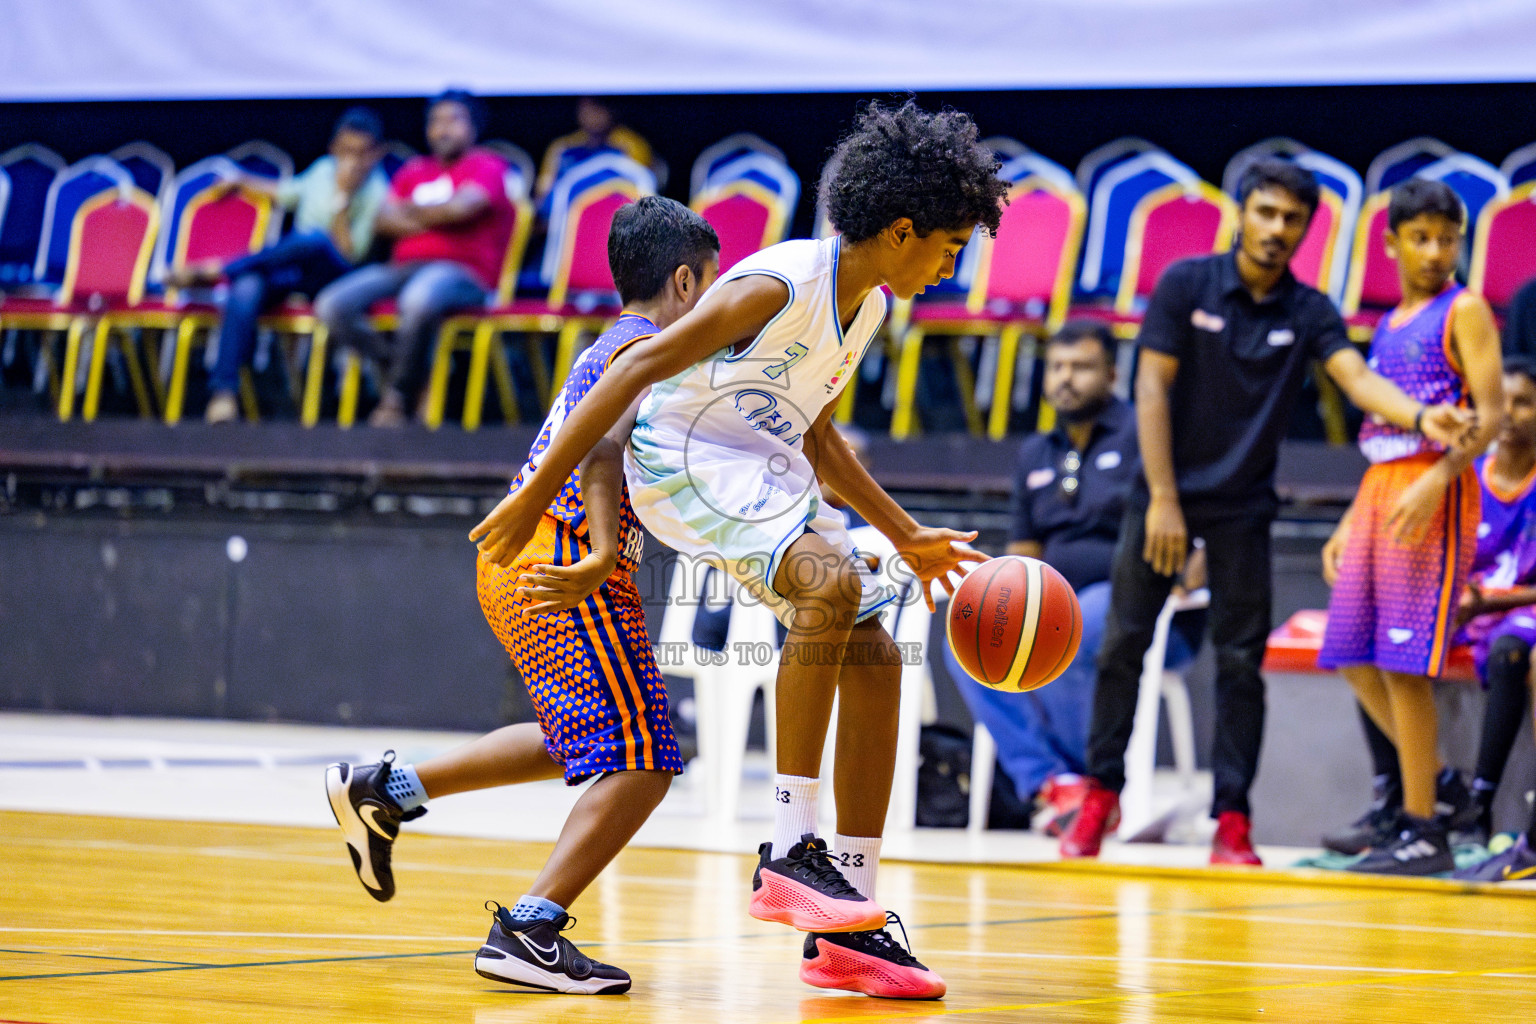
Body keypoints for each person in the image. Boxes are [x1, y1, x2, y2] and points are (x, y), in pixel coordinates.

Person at [471, 100, 1009, 1000]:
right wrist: (532, 492)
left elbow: (819, 431)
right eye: (950, 245)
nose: (955, 264)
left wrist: (905, 530)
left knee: (878, 653)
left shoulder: (868, 308)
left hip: (758, 463)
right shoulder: (781, 283)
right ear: (903, 228)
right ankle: (790, 850)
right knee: (827, 587)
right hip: (678, 458)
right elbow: (634, 368)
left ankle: (855, 924)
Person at [325, 196, 720, 993]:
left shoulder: (612, 340)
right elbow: (604, 451)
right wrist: (608, 549)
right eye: (711, 286)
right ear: (685, 282)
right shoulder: (653, 349)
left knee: (582, 739)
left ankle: (385, 791)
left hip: (531, 565)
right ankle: (530, 929)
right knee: (645, 757)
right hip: (565, 565)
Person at [1060, 159, 1476, 867]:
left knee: (1240, 664)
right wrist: (1163, 497)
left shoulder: (1308, 310)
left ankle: (1232, 818)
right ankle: (1100, 795)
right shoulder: (1186, 283)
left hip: (1244, 507)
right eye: (1266, 213)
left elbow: (1355, 377)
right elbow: (1151, 391)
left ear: (1305, 230)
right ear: (1241, 214)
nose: (1277, 229)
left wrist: (1421, 416)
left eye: (1291, 219)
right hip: (1163, 495)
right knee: (1123, 644)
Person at [940, 320, 1204, 834]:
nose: (1066, 379)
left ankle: (1093, 782)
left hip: (1148, 614)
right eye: (1057, 367)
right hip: (1061, 607)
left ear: (1110, 374)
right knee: (968, 638)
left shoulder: (1142, 436)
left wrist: (1188, 573)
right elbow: (1022, 554)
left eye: (1081, 367)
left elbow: (1194, 529)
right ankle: (1052, 782)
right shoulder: (1035, 453)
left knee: (1084, 622)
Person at [1315, 178, 1502, 876]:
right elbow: (1380, 430)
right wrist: (1348, 519)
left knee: (1403, 666)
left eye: (1447, 238)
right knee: (1353, 656)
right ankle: (1441, 783)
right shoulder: (1390, 321)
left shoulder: (1468, 309)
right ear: (1391, 243)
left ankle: (1424, 828)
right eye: (1420, 238)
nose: (1435, 251)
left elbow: (1490, 418)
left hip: (1434, 490)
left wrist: (1437, 478)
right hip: (1382, 491)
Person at [166, 108, 388, 424]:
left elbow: (352, 254)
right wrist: (242, 181)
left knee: (312, 239)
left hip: (340, 281)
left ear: (375, 155)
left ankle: (219, 271)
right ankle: (223, 394)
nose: (351, 161)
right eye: (345, 151)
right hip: (298, 272)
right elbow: (286, 193)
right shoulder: (323, 170)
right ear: (334, 148)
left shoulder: (378, 190)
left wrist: (343, 201)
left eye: (361, 153)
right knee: (248, 284)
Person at [315, 89, 512, 427]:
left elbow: (463, 208)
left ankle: (396, 397)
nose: (442, 129)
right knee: (332, 305)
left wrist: (411, 212)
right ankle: (406, 365)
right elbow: (382, 219)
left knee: (418, 299)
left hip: (463, 272)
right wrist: (440, 212)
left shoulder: (487, 165)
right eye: (435, 121)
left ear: (473, 128)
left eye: (453, 120)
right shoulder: (414, 169)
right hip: (403, 267)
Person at [535, 97, 657, 209]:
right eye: (585, 107)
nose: (591, 113)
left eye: (597, 106)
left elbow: (642, 194)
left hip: (615, 216)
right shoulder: (562, 147)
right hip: (566, 217)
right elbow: (543, 193)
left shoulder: (632, 146)